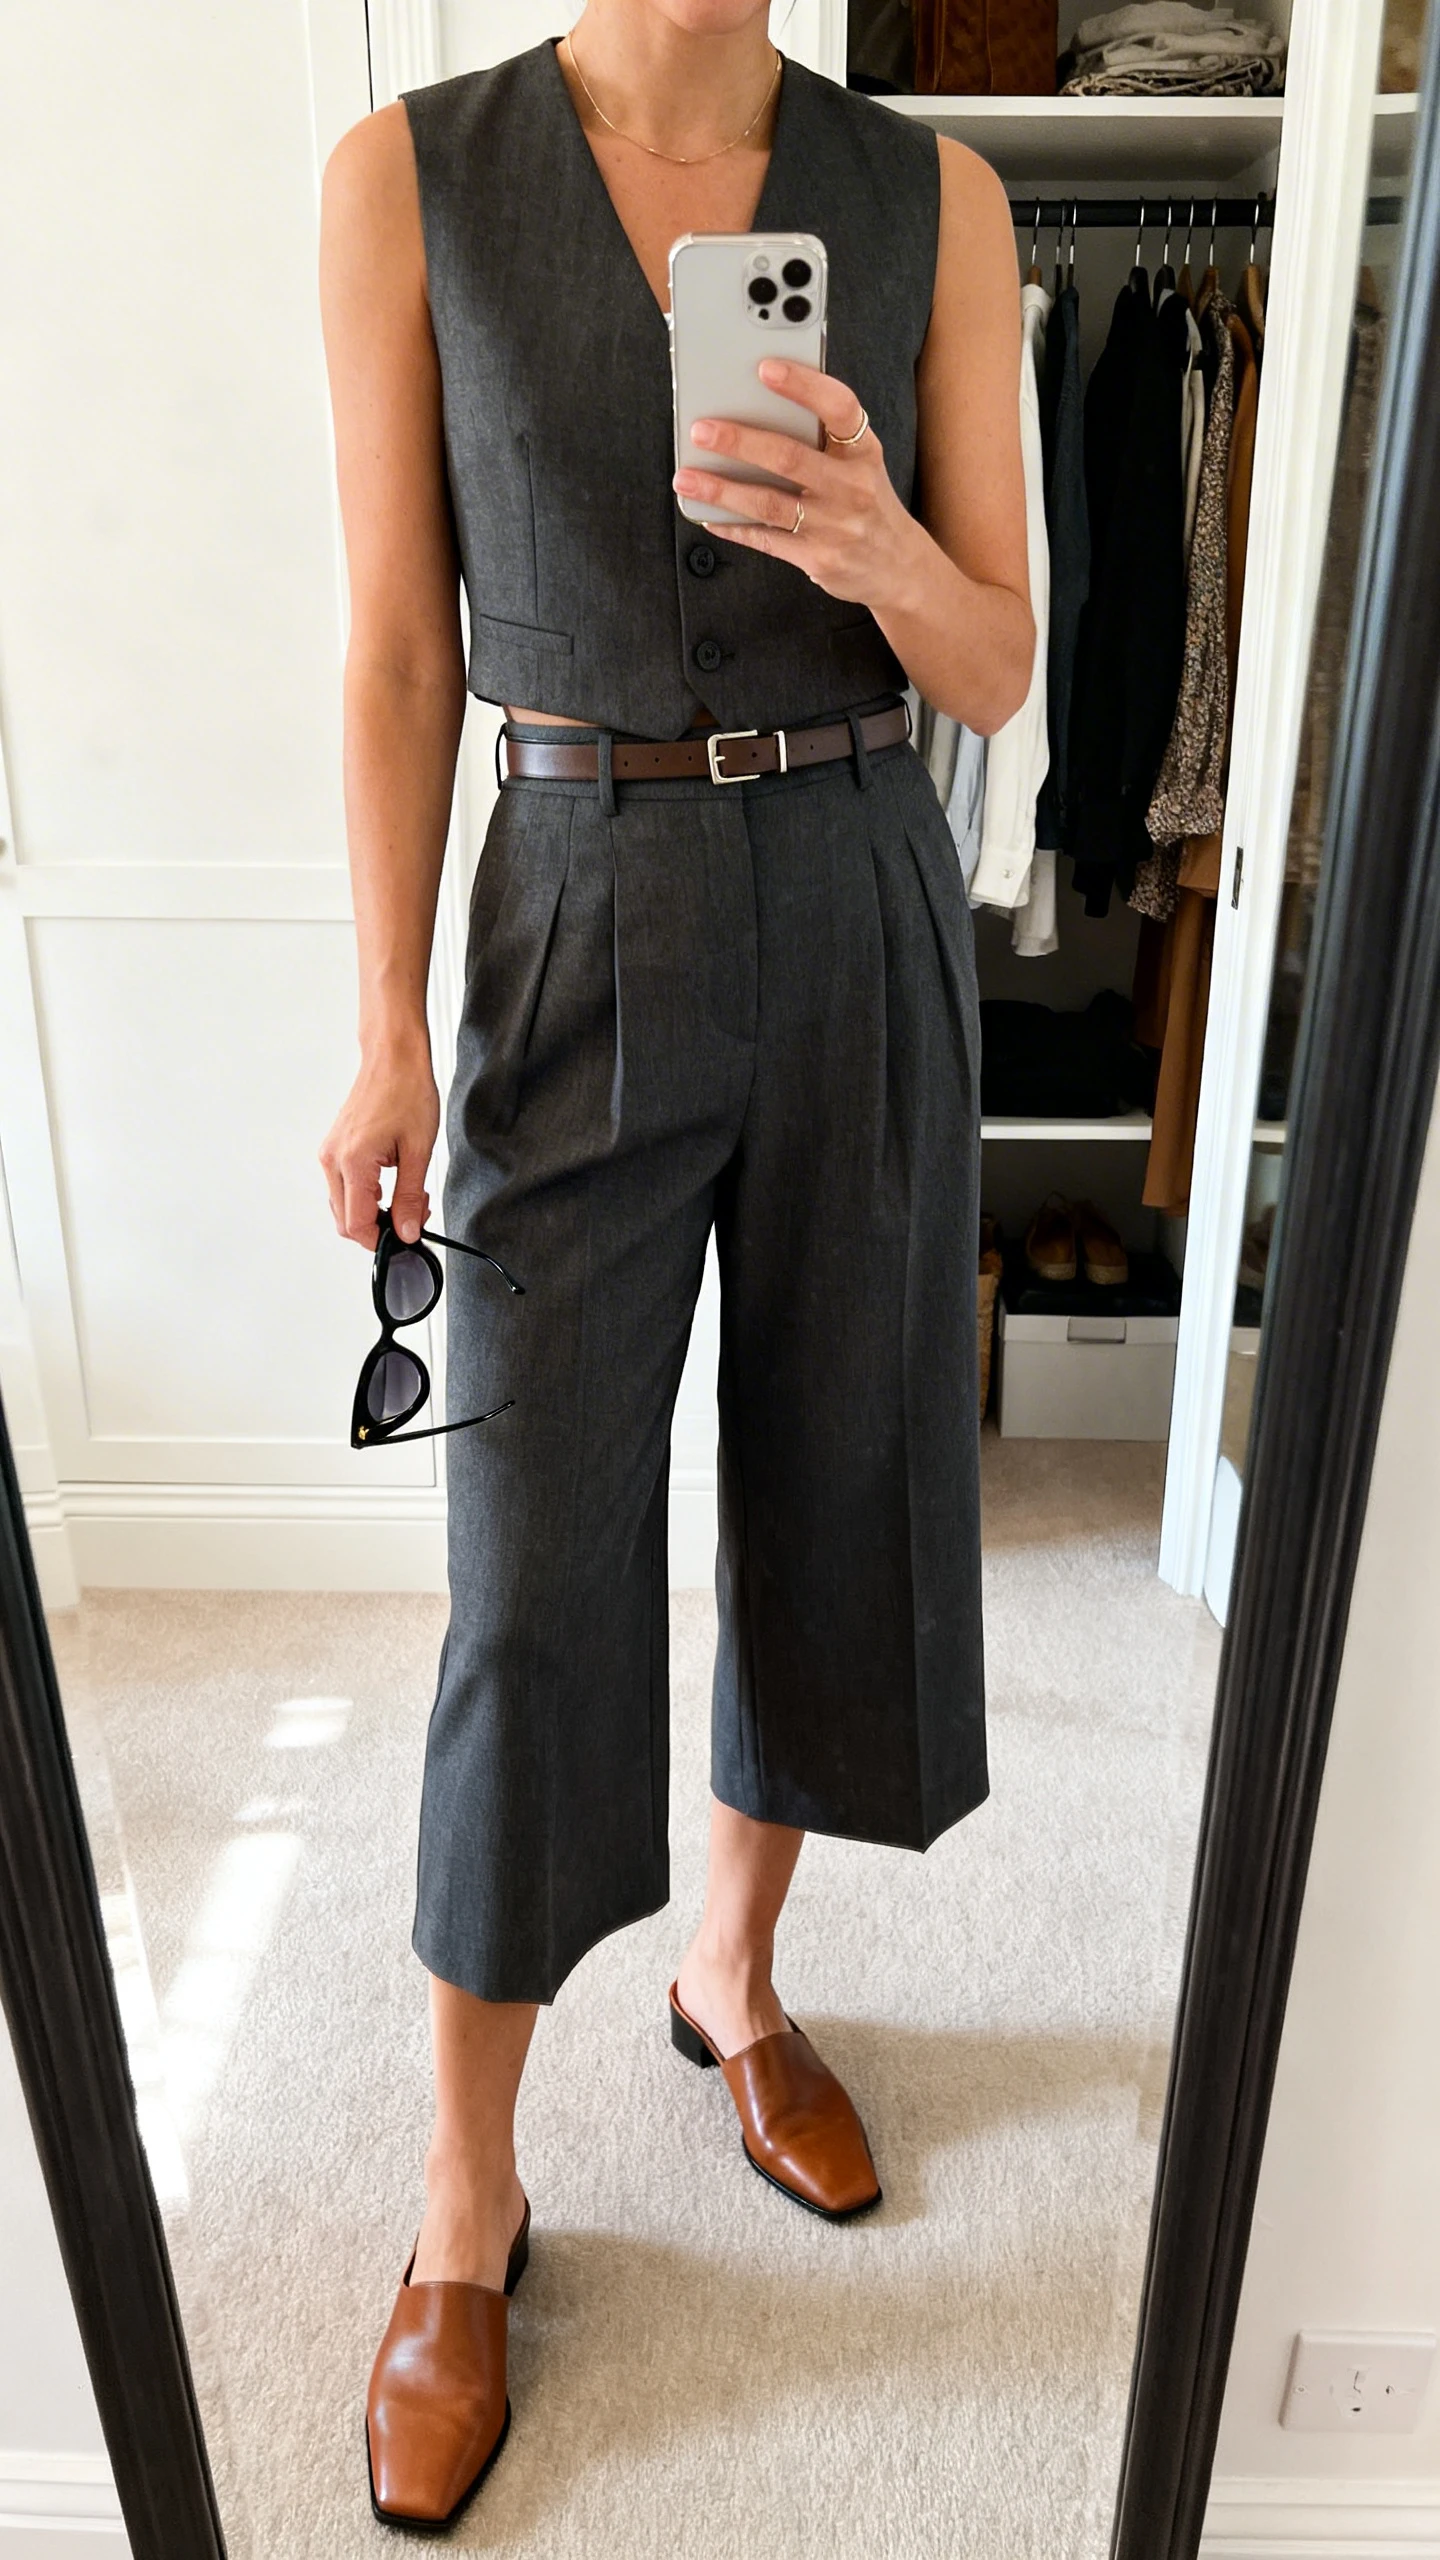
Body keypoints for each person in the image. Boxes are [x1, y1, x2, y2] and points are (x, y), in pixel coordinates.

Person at [318, 0, 1030, 2526]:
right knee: (529, 1569)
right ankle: (463, 2199)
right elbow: (405, 646)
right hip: (569, 902)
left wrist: (879, 547)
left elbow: (1001, 660)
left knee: (837, 1476)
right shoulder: (406, 177)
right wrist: (387, 1024)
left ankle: (734, 1975)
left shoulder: (925, 193)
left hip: (853, 891)